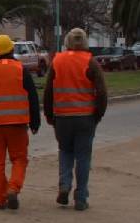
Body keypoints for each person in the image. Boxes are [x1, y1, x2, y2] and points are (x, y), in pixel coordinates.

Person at [44, 28, 108, 211]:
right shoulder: (91, 62)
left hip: (62, 118)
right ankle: (81, 198)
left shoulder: (58, 61)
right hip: (85, 118)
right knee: (83, 157)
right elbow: (102, 92)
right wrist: (99, 113)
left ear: (67, 42)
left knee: (65, 151)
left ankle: (64, 185)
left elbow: (49, 91)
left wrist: (49, 114)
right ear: (85, 42)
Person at [0, 34, 40, 210]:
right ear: (11, 50)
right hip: (17, 124)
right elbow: (32, 97)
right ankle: (13, 188)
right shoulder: (21, 69)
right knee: (19, 159)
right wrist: (35, 121)